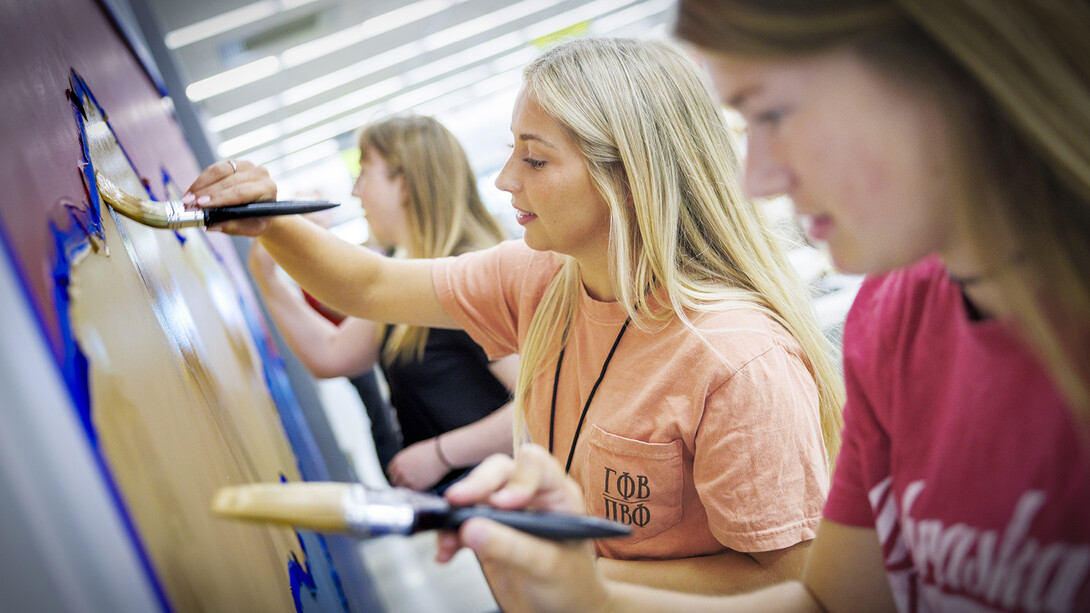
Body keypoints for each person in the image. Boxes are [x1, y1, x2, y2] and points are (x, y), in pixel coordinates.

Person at [423, 1, 1090, 612]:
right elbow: (830, 601)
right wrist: (589, 591)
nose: (758, 177)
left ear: (953, 80)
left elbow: (787, 575)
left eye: (773, 114)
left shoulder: (742, 352)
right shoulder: (890, 319)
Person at [185, 37, 845, 593]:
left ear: (628, 176)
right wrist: (269, 222)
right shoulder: (539, 277)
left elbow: (792, 583)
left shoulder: (737, 360)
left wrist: (582, 579)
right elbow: (371, 283)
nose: (504, 179)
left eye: (534, 157)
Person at [246, 114, 519, 492]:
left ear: (402, 183)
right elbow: (331, 354)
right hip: (482, 507)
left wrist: (441, 453)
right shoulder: (409, 274)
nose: (356, 191)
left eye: (364, 172)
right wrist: (267, 276)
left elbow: (541, 400)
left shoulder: (468, 273)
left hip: (519, 498)